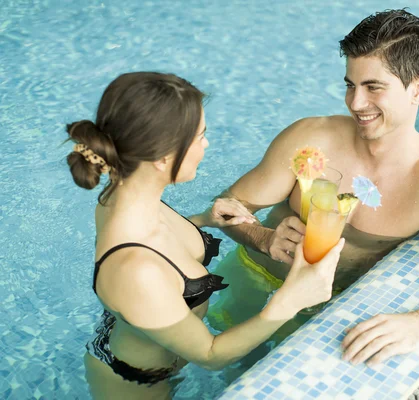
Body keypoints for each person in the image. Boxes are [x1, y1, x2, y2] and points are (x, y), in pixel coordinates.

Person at [206, 9, 419, 367]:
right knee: (229, 374)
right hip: (251, 276)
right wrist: (262, 237)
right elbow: (229, 204)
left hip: (321, 311)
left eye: (373, 87)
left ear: (418, 88)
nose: (355, 103)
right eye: (350, 85)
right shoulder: (310, 139)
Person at [67, 72, 344, 399]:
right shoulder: (135, 270)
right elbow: (211, 355)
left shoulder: (123, 197)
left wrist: (205, 220)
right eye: (200, 136)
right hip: (135, 384)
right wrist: (292, 299)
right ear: (162, 158)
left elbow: (161, 249)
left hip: (154, 345)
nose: (206, 145)